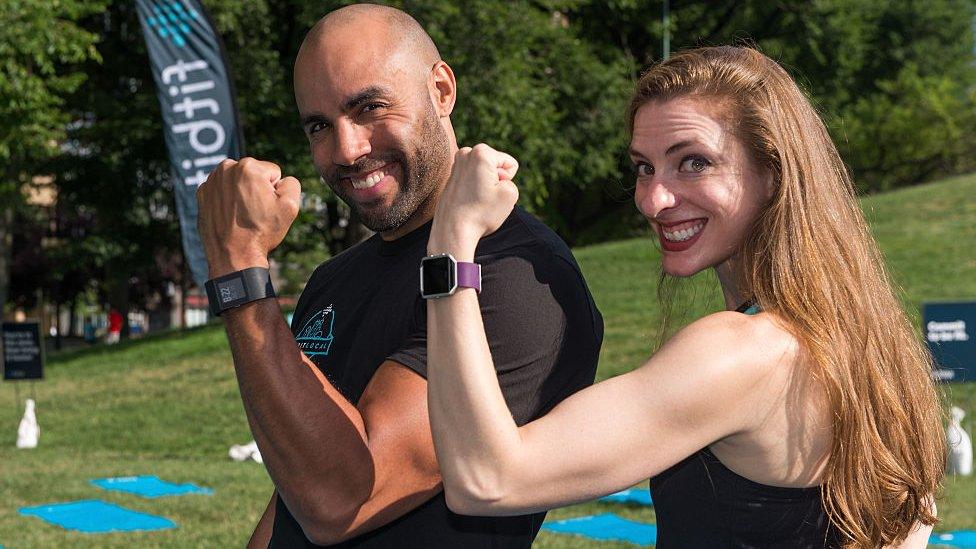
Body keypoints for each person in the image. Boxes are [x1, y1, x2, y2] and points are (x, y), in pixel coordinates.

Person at [425, 46, 946, 548]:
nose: (654, 199)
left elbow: (486, 478)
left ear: (773, 173)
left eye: (694, 162)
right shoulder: (863, 339)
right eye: (644, 167)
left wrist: (452, 239)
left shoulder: (744, 353)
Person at [195, 4, 603, 548]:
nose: (346, 149)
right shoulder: (333, 279)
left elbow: (341, 500)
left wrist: (240, 271)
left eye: (369, 107)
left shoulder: (520, 276)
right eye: (319, 125)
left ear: (440, 90)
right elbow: (294, 483)